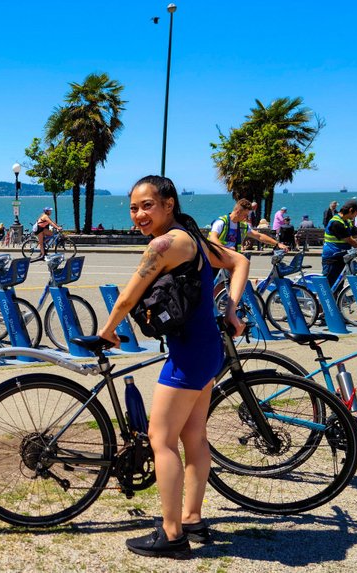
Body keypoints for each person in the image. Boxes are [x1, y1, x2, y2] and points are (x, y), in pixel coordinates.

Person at [98, 175, 248, 559]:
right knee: (193, 437)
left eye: (147, 205)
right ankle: (193, 517)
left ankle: (172, 534)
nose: (139, 214)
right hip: (208, 350)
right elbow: (239, 261)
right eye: (133, 207)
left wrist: (108, 330)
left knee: (160, 440)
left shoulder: (165, 245)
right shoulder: (193, 236)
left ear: (168, 203)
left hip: (188, 356)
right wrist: (230, 307)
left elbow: (129, 295)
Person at [322, 199, 357, 286]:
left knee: (339, 285)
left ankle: (338, 299)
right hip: (332, 258)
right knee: (329, 285)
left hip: (342, 256)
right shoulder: (336, 222)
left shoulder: (346, 221)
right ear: (351, 210)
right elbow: (350, 240)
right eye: (356, 212)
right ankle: (319, 299)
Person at [209, 199, 288, 254]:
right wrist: (226, 249)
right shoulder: (221, 222)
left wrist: (277, 244)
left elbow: (259, 236)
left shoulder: (242, 226)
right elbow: (213, 238)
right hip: (217, 256)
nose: (246, 218)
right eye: (245, 215)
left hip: (232, 257)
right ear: (238, 212)